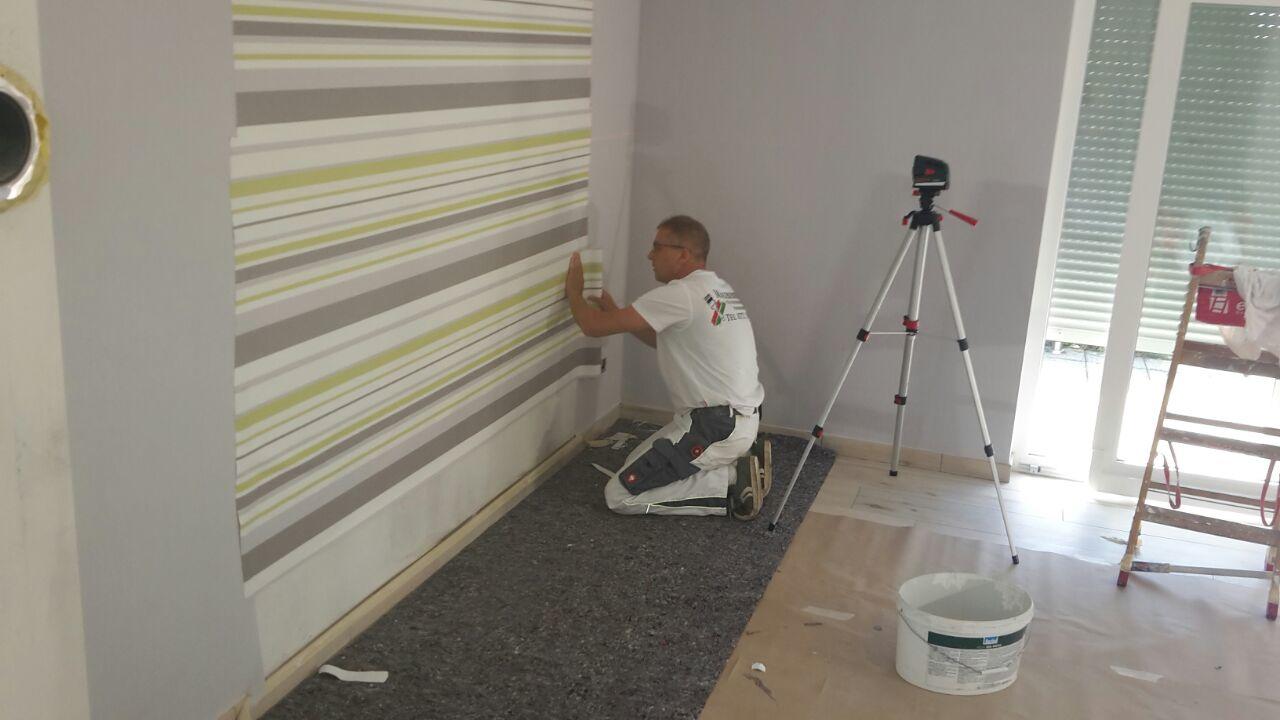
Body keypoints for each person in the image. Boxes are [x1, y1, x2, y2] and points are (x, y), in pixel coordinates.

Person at [563, 215, 770, 519]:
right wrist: (616, 313)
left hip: (714, 427)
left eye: (657, 247)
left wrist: (573, 291)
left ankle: (732, 482)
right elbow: (661, 340)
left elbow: (592, 327)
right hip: (734, 420)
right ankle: (738, 462)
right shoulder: (715, 289)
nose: (650, 255)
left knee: (620, 495)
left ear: (683, 254)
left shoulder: (681, 294)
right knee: (634, 465)